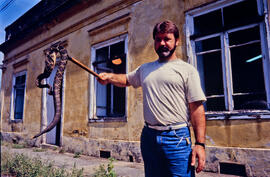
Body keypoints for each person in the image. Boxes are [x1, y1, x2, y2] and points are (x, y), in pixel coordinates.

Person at [98, 20, 206, 177]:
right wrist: (109, 77)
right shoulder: (145, 69)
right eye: (158, 39)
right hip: (149, 137)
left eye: (167, 39)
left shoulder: (187, 70)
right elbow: (127, 80)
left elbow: (196, 108)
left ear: (177, 41)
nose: (162, 43)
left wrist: (200, 144)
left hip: (177, 138)